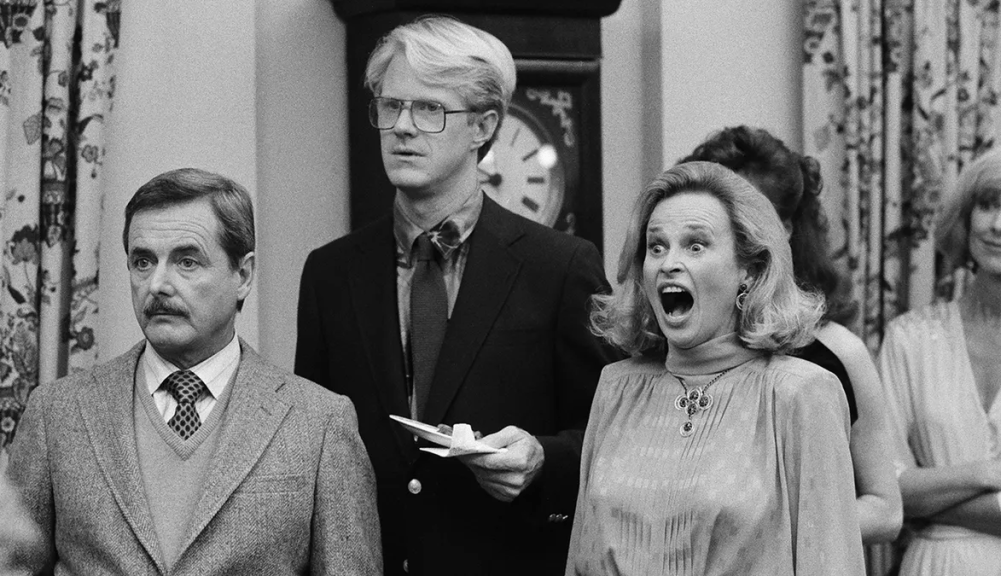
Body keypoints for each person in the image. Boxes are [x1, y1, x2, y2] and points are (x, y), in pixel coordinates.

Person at [294, 15, 617, 576]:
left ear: (483, 126)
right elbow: (312, 450)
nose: (401, 127)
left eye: (429, 109)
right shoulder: (330, 274)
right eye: (390, 106)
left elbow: (615, 430)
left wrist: (543, 458)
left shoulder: (560, 267)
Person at [5, 168, 382, 575]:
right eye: (143, 262)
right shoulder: (56, 414)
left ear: (243, 275)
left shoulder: (319, 423)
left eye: (187, 261)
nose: (157, 284)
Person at [567, 162, 865, 575]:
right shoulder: (617, 387)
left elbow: (831, 562)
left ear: (749, 270)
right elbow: (581, 559)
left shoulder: (800, 393)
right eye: (657, 247)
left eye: (695, 245)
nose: (669, 263)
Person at [682, 125, 903, 543]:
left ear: (785, 228)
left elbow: (886, 510)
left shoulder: (840, 352)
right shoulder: (665, 346)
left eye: (746, 219)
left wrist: (764, 534)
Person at [878, 144, 1001, 574]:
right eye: (987, 205)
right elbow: (885, 487)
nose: (999, 225)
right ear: (965, 217)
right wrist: (994, 473)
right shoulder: (909, 339)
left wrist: (926, 499)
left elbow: (905, 496)